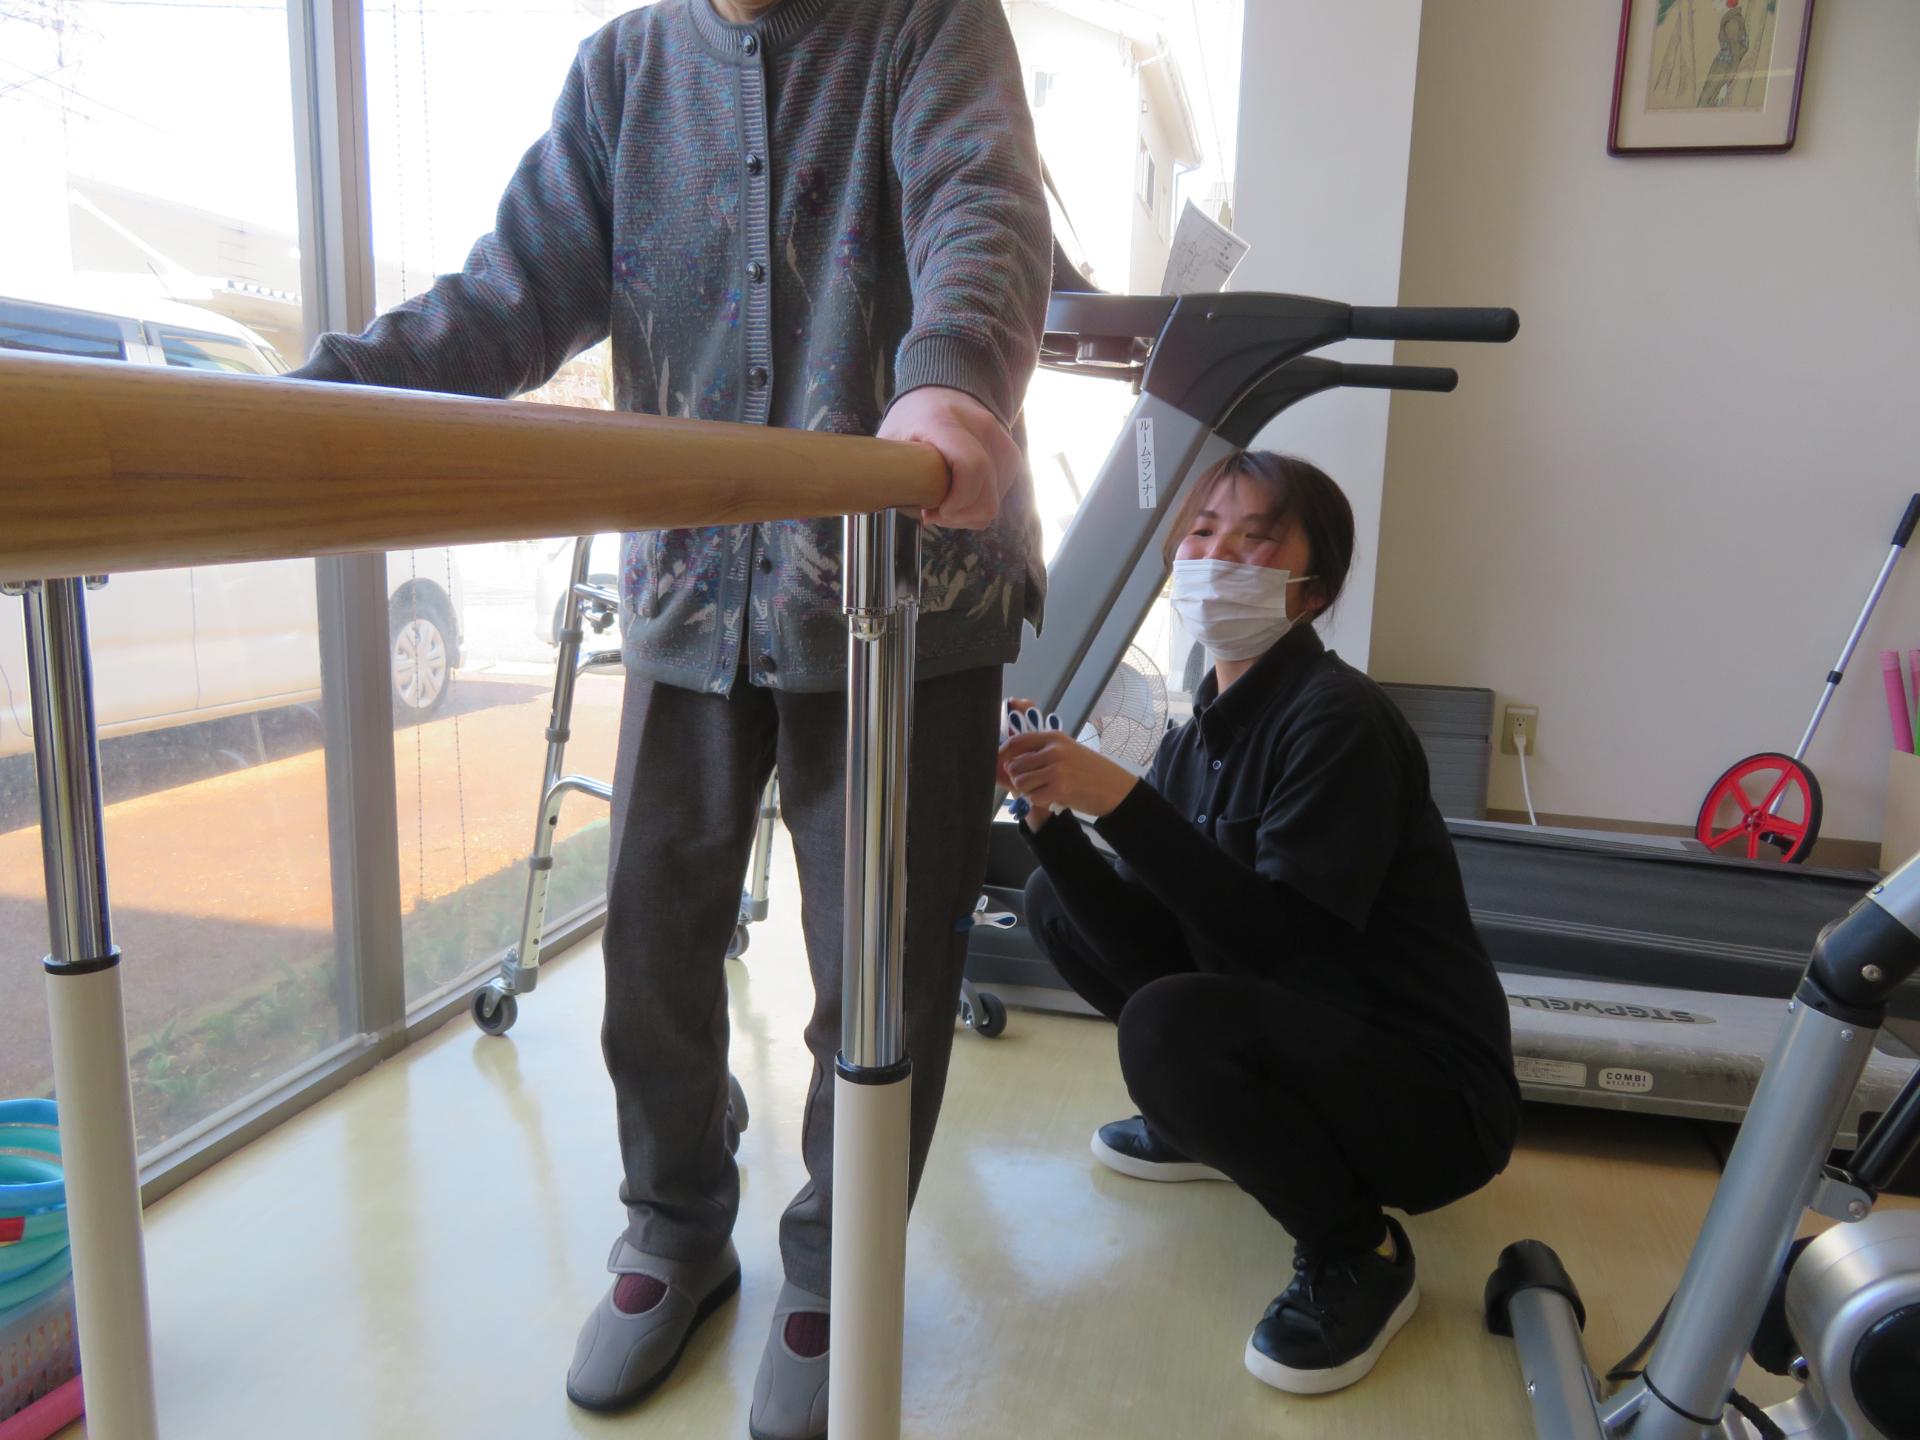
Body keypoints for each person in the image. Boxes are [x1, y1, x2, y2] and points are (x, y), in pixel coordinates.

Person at [290, 3, 1050, 1436]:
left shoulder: (926, 21)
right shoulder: (624, 71)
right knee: (649, 940)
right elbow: (507, 297)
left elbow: (983, 205)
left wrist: (950, 378)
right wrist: (318, 406)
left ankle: (839, 1260)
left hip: (905, 600)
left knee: (879, 969)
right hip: (696, 592)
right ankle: (677, 1222)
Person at [1001, 450, 1520, 1396]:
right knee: (1056, 901)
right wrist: (1051, 823)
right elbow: (1153, 940)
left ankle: (1360, 1251)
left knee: (1168, 1026)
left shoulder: (1339, 721)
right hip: (1318, 1032)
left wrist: (1116, 798)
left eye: (1253, 541)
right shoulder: (1196, 736)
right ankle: (1212, 1127)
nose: (1215, 558)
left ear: (1310, 591)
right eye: (1202, 535)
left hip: (1428, 1096)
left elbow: (1286, 948)